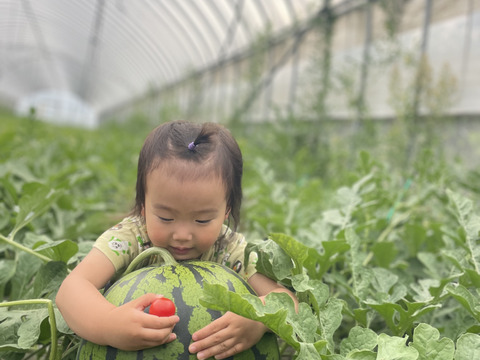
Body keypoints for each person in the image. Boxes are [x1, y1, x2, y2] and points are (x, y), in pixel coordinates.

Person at [56, 120, 298, 360]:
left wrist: (259, 317)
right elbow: (71, 289)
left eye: (202, 220)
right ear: (143, 206)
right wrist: (107, 324)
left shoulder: (231, 249)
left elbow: (288, 301)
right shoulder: (129, 238)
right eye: (165, 217)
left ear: (226, 211)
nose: (182, 235)